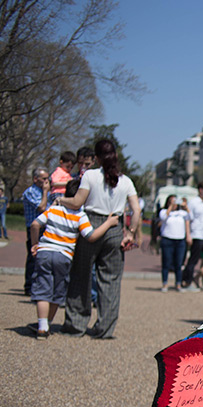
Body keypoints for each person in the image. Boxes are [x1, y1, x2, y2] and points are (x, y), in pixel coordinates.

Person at [60, 138, 142, 339]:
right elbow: (137, 209)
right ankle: (104, 327)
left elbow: (78, 201)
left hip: (90, 224)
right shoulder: (126, 181)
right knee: (111, 280)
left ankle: (76, 323)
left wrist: (61, 199)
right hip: (115, 227)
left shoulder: (90, 175)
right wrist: (130, 233)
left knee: (81, 274)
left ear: (96, 157)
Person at [30, 179, 118, 338]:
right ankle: (48, 323)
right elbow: (91, 236)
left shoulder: (54, 210)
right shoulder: (80, 216)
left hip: (44, 252)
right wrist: (108, 223)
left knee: (43, 288)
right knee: (57, 291)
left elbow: (35, 225)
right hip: (64, 256)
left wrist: (35, 244)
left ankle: (42, 326)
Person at [21, 168, 51, 295]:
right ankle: (29, 286)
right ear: (35, 179)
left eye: (47, 178)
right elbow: (42, 207)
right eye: (44, 178)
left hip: (45, 227)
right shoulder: (30, 192)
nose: (46, 181)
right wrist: (45, 192)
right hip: (34, 228)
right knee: (33, 256)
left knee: (44, 258)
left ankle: (40, 285)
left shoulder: (48, 193)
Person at [158, 195, 192, 292]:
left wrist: (186, 207)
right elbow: (163, 217)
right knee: (166, 263)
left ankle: (178, 283)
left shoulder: (182, 213)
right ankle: (165, 283)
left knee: (179, 263)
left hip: (180, 240)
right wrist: (170, 207)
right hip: (167, 240)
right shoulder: (164, 211)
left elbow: (191, 217)